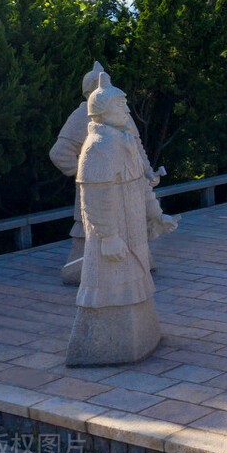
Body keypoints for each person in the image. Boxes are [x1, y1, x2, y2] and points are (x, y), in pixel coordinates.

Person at [66, 73, 178, 367]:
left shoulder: (123, 140)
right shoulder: (98, 148)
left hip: (133, 233)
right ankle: (104, 345)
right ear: (101, 112)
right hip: (113, 238)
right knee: (109, 290)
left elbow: (141, 185)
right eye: (121, 107)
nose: (127, 112)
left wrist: (156, 215)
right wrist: (107, 236)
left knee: (134, 283)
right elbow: (94, 199)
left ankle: (142, 337)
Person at [50, 62, 162, 285]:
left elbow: (136, 145)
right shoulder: (83, 115)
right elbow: (59, 153)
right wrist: (88, 173)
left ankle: (136, 267)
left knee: (133, 234)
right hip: (98, 192)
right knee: (91, 235)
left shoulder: (120, 112)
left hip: (129, 189)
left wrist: (147, 172)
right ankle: (84, 273)